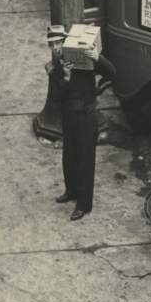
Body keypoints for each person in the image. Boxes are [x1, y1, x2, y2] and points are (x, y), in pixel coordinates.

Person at [48, 40, 115, 220]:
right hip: (68, 117)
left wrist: (98, 58)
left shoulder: (85, 59)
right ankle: (71, 191)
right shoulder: (55, 68)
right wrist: (65, 79)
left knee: (85, 159)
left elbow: (111, 72)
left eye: (58, 43)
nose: (55, 48)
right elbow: (55, 96)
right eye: (51, 45)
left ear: (66, 43)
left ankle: (84, 205)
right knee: (68, 156)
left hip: (86, 116)